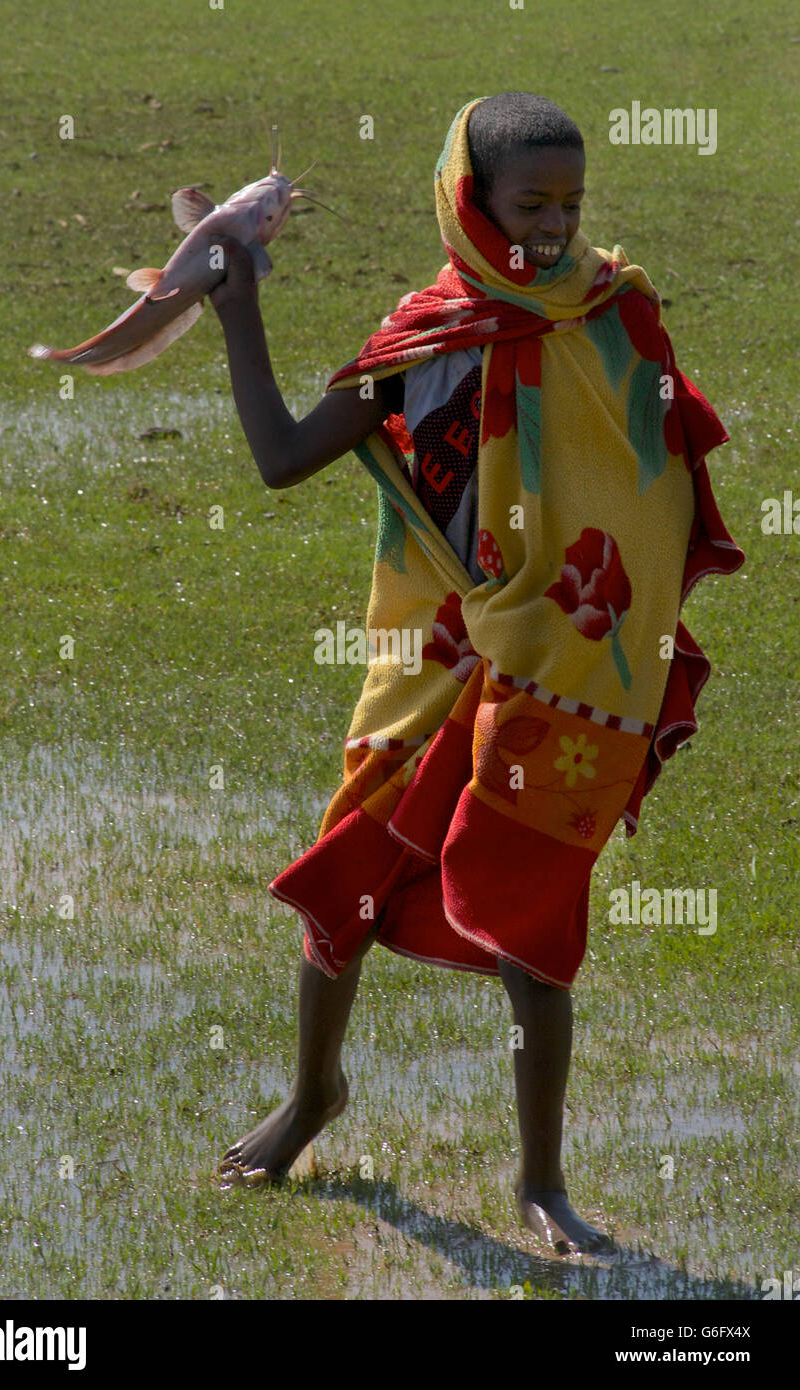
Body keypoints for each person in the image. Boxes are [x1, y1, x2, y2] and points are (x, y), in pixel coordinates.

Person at [207, 93, 744, 1253]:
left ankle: (541, 1181)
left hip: (557, 667)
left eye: (569, 204)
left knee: (533, 925)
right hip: (437, 656)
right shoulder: (427, 336)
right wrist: (237, 311)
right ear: (469, 199)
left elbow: (650, 483)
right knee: (347, 878)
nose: (551, 228)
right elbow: (283, 457)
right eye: (528, 204)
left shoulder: (613, 311)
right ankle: (312, 1097)